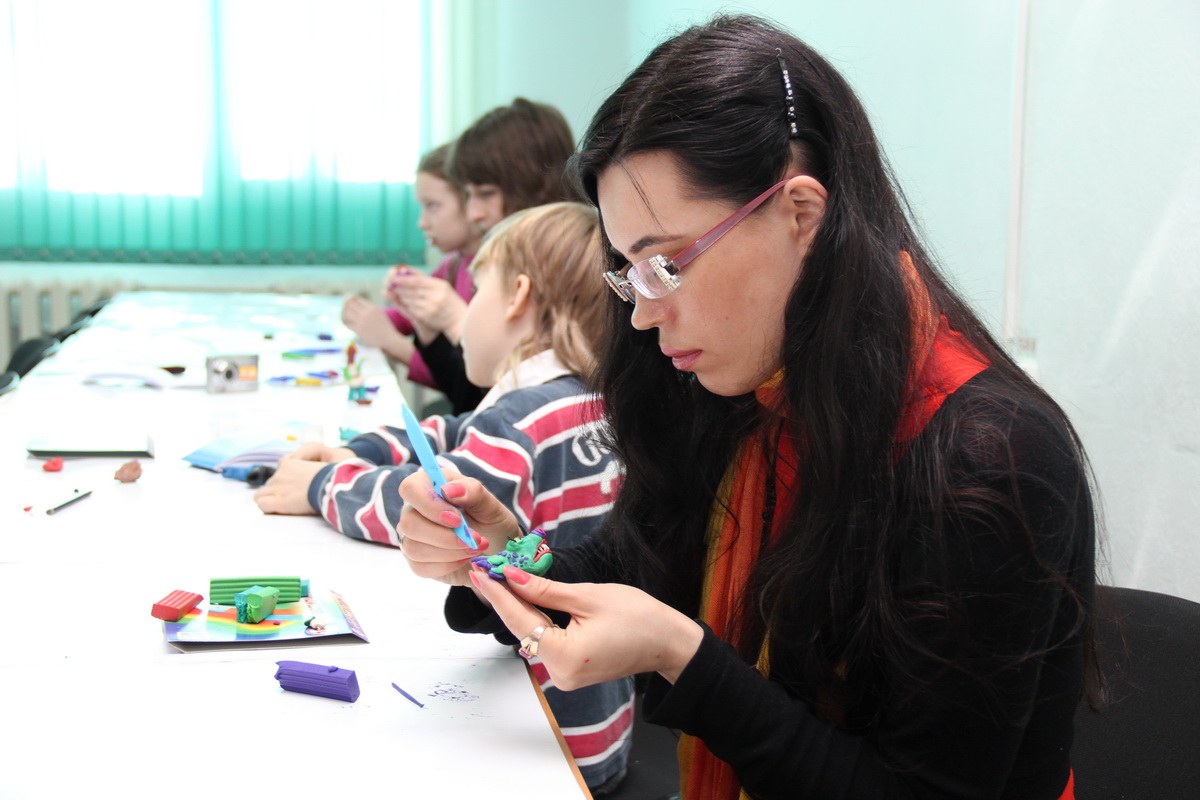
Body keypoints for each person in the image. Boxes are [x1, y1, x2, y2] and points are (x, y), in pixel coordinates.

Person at [395, 15, 1099, 800]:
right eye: (629, 272)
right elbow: (627, 566)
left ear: (801, 215)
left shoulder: (986, 458)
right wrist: (502, 554)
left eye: (667, 263)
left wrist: (681, 656)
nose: (642, 313)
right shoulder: (742, 391)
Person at [255, 202, 635, 795]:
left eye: (476, 291)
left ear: (516, 297)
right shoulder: (586, 400)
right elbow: (450, 432)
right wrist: (359, 448)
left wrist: (318, 484)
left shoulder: (520, 419)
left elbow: (418, 510)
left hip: (545, 746)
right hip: (603, 730)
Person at [406, 97, 576, 414]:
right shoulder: (508, 261)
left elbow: (513, 412)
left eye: (485, 194)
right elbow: (465, 402)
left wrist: (458, 324)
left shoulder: (570, 272)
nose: (473, 213)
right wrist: (432, 335)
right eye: (468, 195)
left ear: (534, 186)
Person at [341, 143, 482, 413]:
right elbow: (407, 321)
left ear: (471, 202)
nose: (422, 222)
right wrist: (370, 315)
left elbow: (463, 384)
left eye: (432, 206)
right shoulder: (452, 265)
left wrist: (391, 343)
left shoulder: (489, 276)